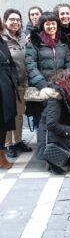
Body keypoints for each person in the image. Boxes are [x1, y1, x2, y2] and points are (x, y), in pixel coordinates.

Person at [2, 9, 31, 159]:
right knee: (8, 115)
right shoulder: (2, 39)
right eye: (12, 19)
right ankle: (8, 144)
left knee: (19, 114)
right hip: (7, 83)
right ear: (5, 21)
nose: (15, 22)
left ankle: (18, 140)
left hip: (22, 83)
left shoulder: (24, 37)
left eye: (18, 20)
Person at [26, 11, 70, 89]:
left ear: (57, 25)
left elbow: (68, 64)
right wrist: (42, 84)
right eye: (47, 24)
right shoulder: (35, 42)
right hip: (42, 86)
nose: (51, 26)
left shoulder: (63, 42)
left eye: (53, 23)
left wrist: (66, 81)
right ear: (42, 26)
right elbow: (31, 66)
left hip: (62, 85)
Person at [0, 17, 17, 169]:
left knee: (4, 123)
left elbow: (11, 63)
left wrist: (13, 79)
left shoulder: (3, 42)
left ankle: (1, 155)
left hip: (5, 86)